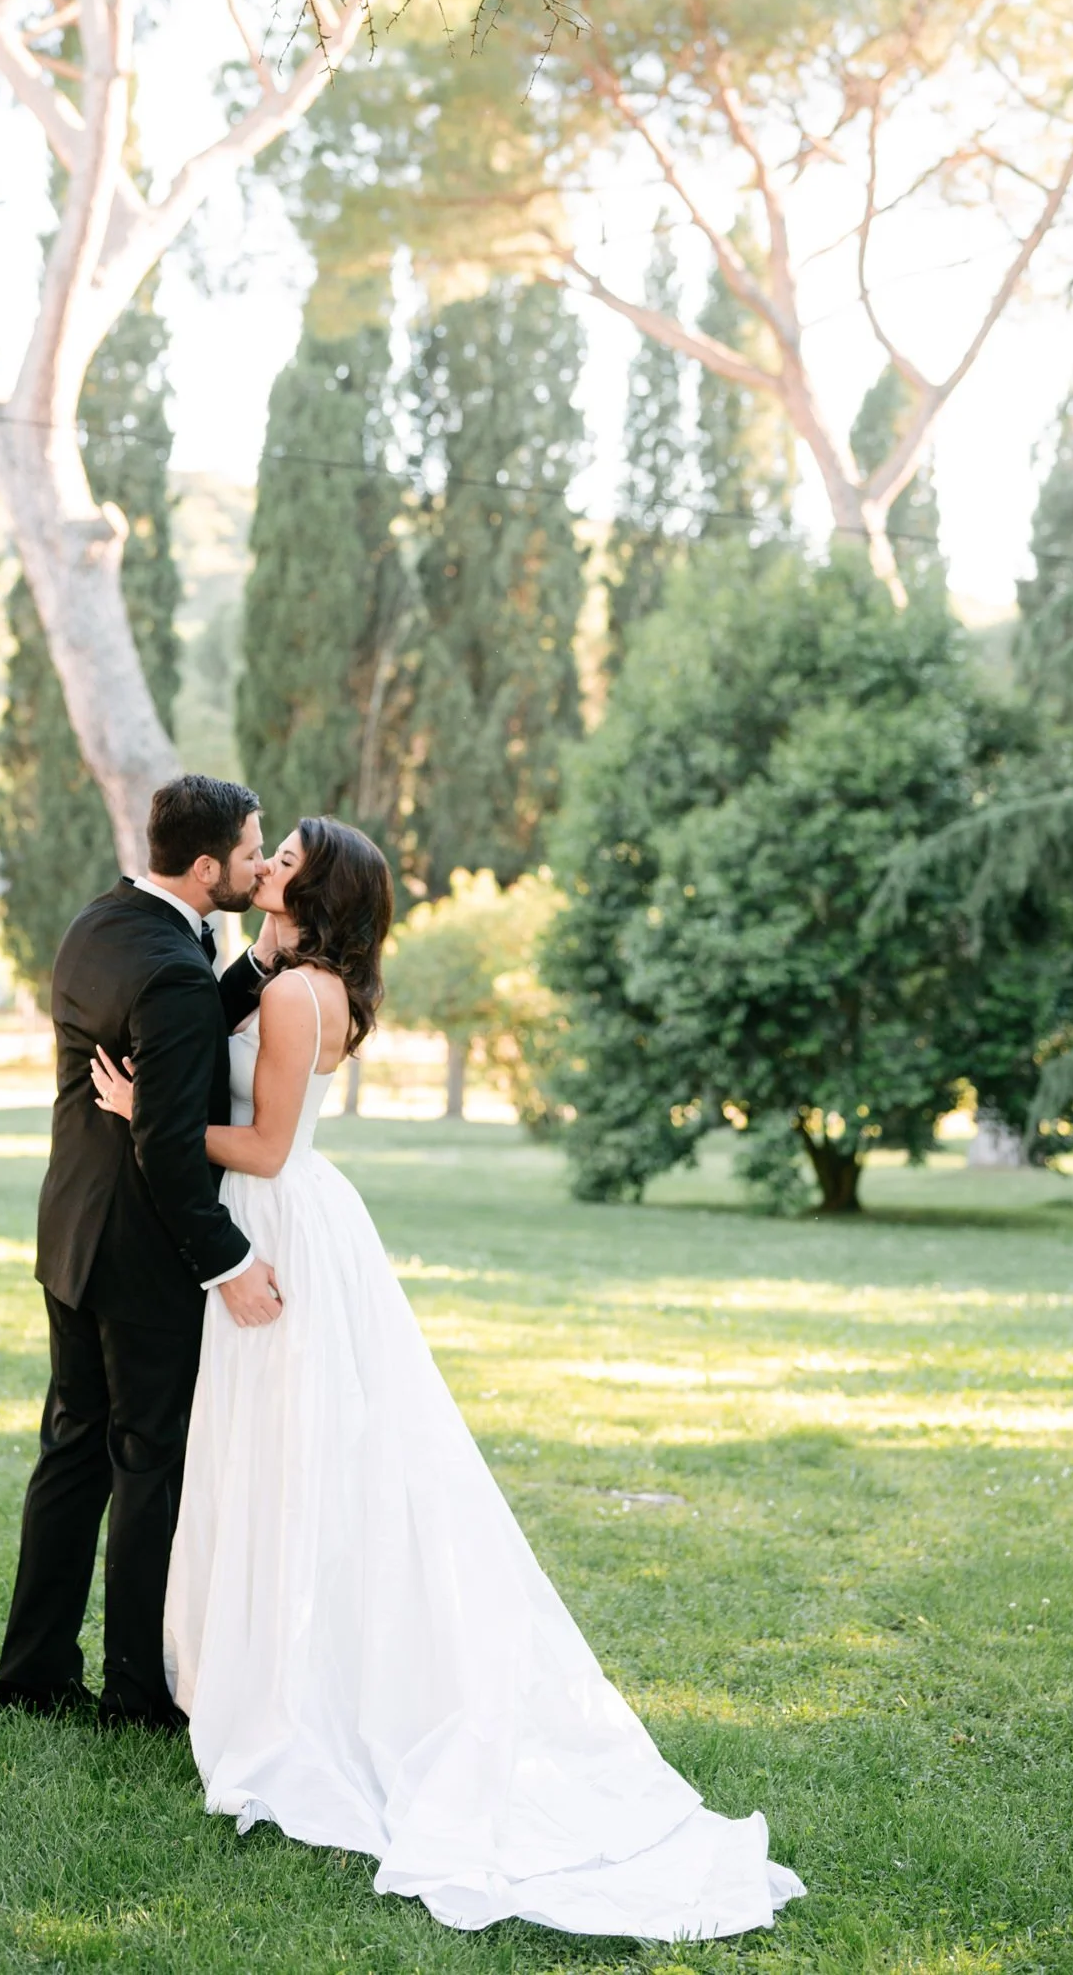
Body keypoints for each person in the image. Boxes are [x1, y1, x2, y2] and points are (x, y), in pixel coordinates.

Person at [90, 814, 805, 1940]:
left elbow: (267, 1146)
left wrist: (152, 1117)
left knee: (285, 1452)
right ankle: (261, 1660)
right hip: (304, 1219)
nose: (264, 865)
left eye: (283, 862)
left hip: (273, 1217)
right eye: (265, 853)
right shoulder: (296, 978)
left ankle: (289, 1690)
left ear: (312, 892)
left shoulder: (290, 998)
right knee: (291, 1451)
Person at [0, 774, 284, 1731]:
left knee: (71, 1453)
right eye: (249, 851)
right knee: (147, 1464)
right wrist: (230, 1262)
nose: (257, 862)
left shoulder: (102, 925)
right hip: (142, 1257)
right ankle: (134, 1693)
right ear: (206, 868)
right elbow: (164, 1144)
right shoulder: (170, 968)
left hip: (71, 1234)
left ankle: (31, 1675)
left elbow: (186, 1007)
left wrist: (261, 965)